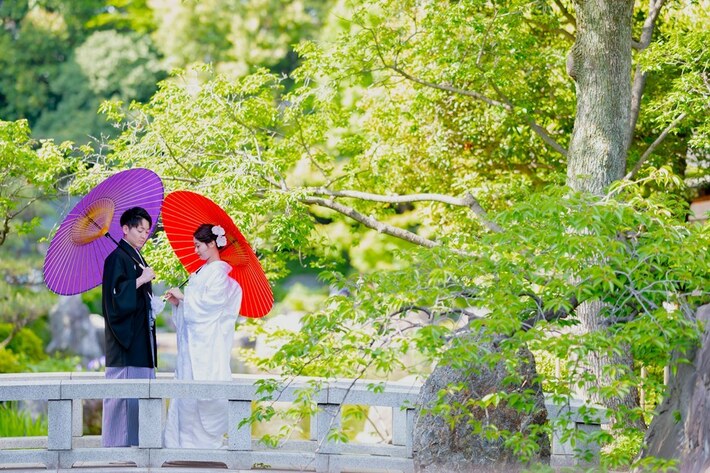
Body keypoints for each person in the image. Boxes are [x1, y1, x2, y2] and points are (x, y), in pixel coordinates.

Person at [162, 223, 243, 449]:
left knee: (201, 394)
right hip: (191, 345)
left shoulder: (219, 275)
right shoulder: (201, 272)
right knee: (185, 392)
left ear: (212, 244)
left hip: (207, 345)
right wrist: (178, 303)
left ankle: (202, 447)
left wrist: (185, 298)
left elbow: (210, 307)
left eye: (198, 245)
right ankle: (180, 446)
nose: (195, 250)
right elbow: (193, 310)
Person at [101, 206, 158, 447]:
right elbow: (114, 299)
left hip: (141, 339)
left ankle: (138, 445)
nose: (144, 235)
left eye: (147, 231)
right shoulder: (116, 258)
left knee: (140, 396)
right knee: (122, 397)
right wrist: (142, 279)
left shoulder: (136, 257)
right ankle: (116, 449)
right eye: (139, 230)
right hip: (125, 341)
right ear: (125, 229)